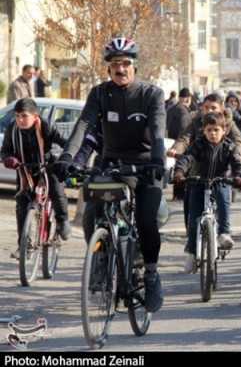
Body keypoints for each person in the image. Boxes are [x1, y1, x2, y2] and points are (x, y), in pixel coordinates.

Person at [53, 36, 167, 313]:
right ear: (108, 68)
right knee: (92, 213)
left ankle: (150, 273)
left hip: (144, 167)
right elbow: (84, 125)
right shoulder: (100, 93)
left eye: (126, 63)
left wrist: (157, 160)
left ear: (134, 67)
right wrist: (68, 157)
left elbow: (158, 130)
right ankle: (100, 261)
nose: (121, 69)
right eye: (116, 64)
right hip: (111, 164)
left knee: (146, 221)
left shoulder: (151, 94)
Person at [173, 112, 241, 271]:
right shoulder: (198, 145)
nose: (213, 133)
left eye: (216, 130)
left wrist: (238, 176)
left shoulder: (229, 146)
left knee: (223, 200)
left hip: (220, 181)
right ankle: (192, 253)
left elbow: (237, 162)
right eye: (209, 130)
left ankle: (224, 233)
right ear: (203, 131)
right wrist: (179, 172)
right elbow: (187, 159)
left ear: (224, 130)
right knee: (194, 219)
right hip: (199, 182)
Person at [1, 98, 71, 258]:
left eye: (24, 116)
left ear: (35, 116)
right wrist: (8, 159)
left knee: (56, 190)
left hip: (47, 166)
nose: (20, 120)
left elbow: (64, 142)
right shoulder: (13, 129)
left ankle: (62, 221)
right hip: (25, 170)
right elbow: (5, 151)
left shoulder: (45, 126)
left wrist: (66, 159)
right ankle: (25, 246)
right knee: (22, 205)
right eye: (17, 116)